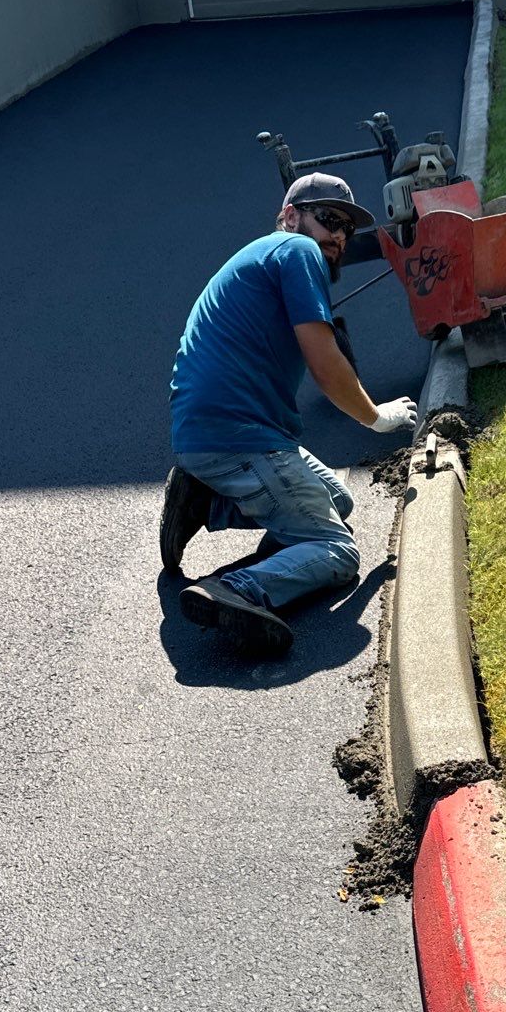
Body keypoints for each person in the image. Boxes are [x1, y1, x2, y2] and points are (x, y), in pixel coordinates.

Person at [160, 172, 418, 657]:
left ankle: (205, 501)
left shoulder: (264, 257)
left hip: (212, 433)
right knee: (339, 553)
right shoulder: (296, 252)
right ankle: (234, 590)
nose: (339, 235)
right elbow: (326, 364)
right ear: (289, 217)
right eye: (327, 219)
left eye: (347, 227)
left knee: (339, 500)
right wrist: (376, 418)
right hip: (242, 438)